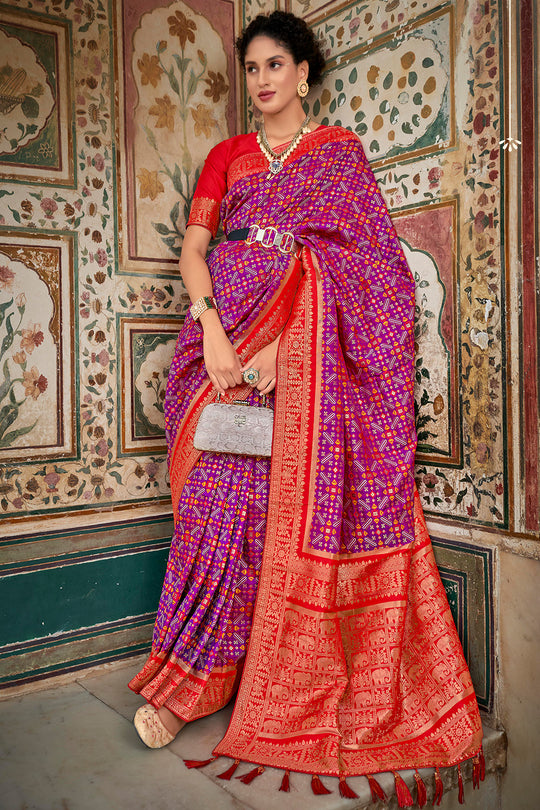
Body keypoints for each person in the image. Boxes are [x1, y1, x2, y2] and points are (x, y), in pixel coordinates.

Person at [129, 10, 483, 800]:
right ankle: (190, 682)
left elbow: (374, 275)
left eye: (274, 65)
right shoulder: (227, 156)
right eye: (251, 67)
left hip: (302, 365)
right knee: (214, 512)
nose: (261, 81)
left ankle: (257, 677)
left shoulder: (339, 156)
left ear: (303, 73)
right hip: (221, 348)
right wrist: (217, 333)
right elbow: (196, 252)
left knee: (271, 512)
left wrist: (289, 351)